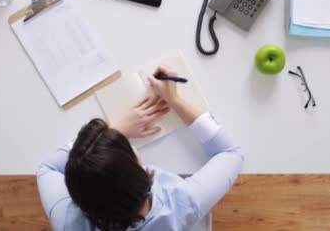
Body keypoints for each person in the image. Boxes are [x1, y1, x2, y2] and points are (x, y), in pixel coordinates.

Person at [37, 65, 243, 231]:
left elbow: (48, 168)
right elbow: (229, 152)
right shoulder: (181, 206)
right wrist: (174, 99)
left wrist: (110, 137)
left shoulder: (67, 221)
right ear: (138, 170)